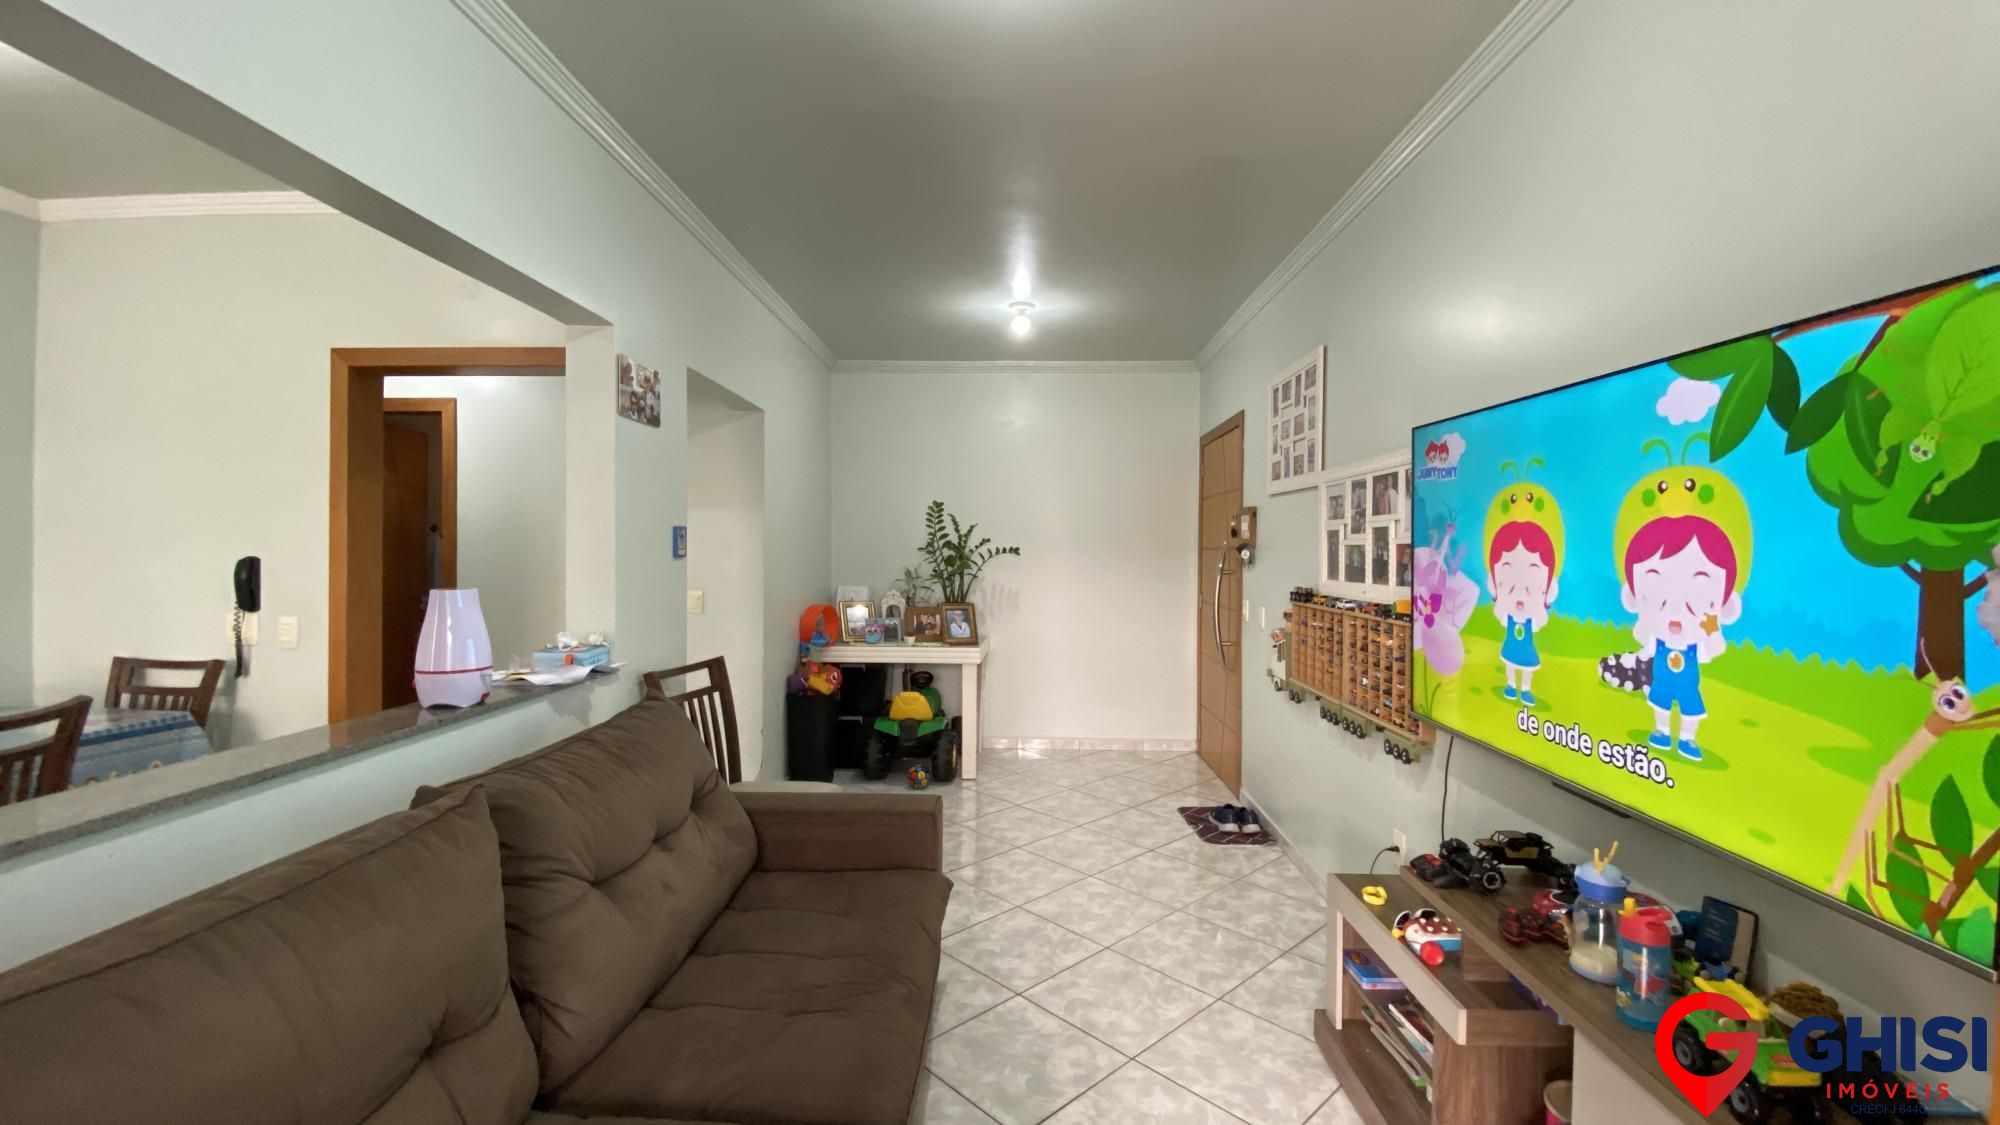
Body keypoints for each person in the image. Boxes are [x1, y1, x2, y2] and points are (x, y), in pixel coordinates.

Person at [1612, 459, 1752, 762]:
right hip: (1662, 681)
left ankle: (1687, 739)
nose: (1675, 610)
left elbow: (1712, 648)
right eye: (1658, 596)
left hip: (1687, 682)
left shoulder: (1695, 643)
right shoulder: (1657, 639)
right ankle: (1662, 732)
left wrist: (1712, 630)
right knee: (1660, 702)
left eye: (1697, 588)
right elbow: (1645, 650)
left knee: (1690, 707)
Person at [1484, 469, 1564, 708]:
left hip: (1526, 650)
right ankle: (1511, 685)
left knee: (1527, 666)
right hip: (1511, 648)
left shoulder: (1532, 618)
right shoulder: (1507, 615)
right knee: (1511, 663)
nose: (1519, 594)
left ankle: (1525, 689)